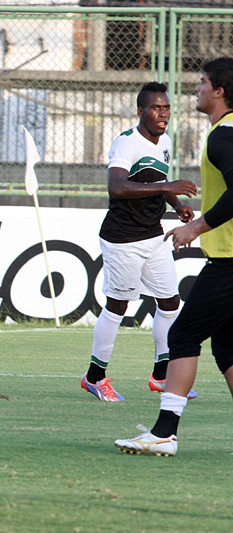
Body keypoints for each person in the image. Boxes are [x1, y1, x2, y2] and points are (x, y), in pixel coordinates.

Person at [115, 57, 233, 456]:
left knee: (182, 335)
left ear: (219, 91)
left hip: (231, 261)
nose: (196, 89)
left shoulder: (223, 136)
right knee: (228, 347)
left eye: (201, 83)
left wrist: (196, 227)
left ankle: (164, 432)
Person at [80, 82, 198, 402]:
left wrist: (177, 205)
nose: (163, 114)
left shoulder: (165, 141)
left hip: (154, 234)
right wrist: (169, 186)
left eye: (166, 108)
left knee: (170, 302)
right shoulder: (126, 144)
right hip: (123, 238)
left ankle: (161, 376)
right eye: (156, 108)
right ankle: (94, 377)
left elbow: (158, 181)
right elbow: (117, 187)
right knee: (118, 307)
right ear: (140, 111)